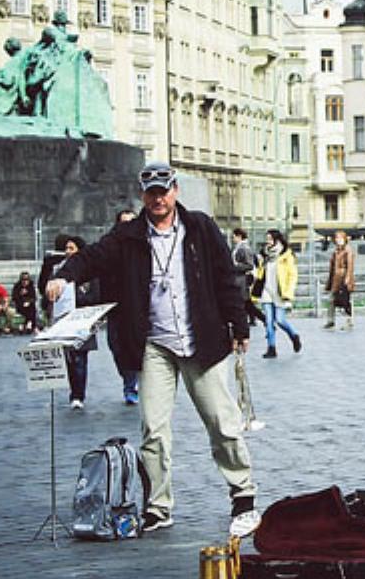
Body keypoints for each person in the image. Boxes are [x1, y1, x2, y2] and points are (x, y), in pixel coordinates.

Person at [45, 160, 260, 536]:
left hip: (201, 341)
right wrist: (64, 275)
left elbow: (226, 278)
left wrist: (238, 324)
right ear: (143, 195)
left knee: (222, 423)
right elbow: (92, 256)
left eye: (164, 191)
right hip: (155, 344)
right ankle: (159, 506)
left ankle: (243, 497)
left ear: (175, 191)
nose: (158, 198)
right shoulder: (128, 235)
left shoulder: (200, 228)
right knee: (154, 429)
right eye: (151, 193)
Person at [51, 236, 100, 409]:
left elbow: (96, 296)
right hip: (64, 321)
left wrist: (75, 298)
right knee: (68, 359)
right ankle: (74, 390)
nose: (67, 252)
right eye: (66, 248)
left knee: (80, 359)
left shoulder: (91, 274)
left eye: (71, 248)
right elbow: (46, 292)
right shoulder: (58, 271)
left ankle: (78, 395)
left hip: (83, 322)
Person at [107, 209, 142, 403]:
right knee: (117, 347)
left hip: (139, 307)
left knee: (136, 347)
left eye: (132, 222)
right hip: (116, 307)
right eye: (124, 223)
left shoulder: (144, 246)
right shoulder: (111, 246)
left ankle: (133, 386)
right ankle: (129, 378)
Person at [254, 229, 301, 358]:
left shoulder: (287, 255)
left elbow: (292, 275)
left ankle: (294, 336)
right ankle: (271, 348)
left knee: (280, 320)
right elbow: (261, 273)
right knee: (268, 322)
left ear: (277, 240)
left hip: (280, 292)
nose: (267, 241)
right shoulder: (265, 255)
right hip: (267, 291)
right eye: (266, 239)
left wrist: (289, 291)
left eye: (269, 239)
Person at [231, 228, 265, 327]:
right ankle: (260, 319)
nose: (233, 239)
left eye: (234, 237)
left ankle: (262, 319)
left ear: (239, 236)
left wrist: (235, 266)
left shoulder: (244, 248)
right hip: (240, 278)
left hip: (242, 279)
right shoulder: (240, 247)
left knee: (245, 302)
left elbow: (249, 265)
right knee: (246, 302)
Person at [323, 230, 355, 330]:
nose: (338, 240)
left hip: (343, 277)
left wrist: (348, 279)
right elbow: (332, 268)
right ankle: (330, 321)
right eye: (336, 238)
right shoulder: (336, 251)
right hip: (335, 279)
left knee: (345, 301)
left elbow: (350, 266)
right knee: (331, 300)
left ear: (345, 239)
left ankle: (348, 321)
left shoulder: (348, 250)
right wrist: (329, 282)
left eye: (340, 238)